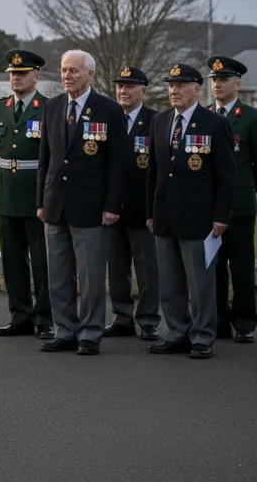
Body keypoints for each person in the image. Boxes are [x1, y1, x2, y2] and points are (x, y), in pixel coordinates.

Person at [36, 49, 128, 356]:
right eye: (64, 70)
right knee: (59, 276)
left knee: (90, 277)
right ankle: (65, 330)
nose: (67, 76)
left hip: (91, 208)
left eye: (73, 71)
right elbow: (45, 160)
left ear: (90, 74)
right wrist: (41, 201)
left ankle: (90, 333)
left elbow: (118, 164)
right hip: (55, 206)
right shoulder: (52, 106)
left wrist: (112, 206)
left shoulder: (109, 110)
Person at [146, 63, 236, 359]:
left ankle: (202, 336)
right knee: (169, 283)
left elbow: (226, 175)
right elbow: (154, 173)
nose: (174, 90)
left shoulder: (214, 123)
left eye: (181, 85)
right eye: (171, 85)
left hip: (199, 218)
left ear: (197, 89)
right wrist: (150, 212)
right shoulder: (159, 121)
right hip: (164, 215)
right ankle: (177, 333)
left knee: (200, 284)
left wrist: (221, 216)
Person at [0, 49, 53, 340]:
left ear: (36, 76)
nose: (16, 78)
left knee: (42, 261)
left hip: (37, 193)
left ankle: (44, 317)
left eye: (22, 73)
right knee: (12, 260)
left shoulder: (49, 108)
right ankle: (20, 315)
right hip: (8, 193)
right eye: (13, 73)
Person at [104, 66, 161, 341]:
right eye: (120, 86)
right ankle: (122, 318)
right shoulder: (109, 119)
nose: (123, 90)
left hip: (143, 209)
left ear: (144, 91)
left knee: (148, 269)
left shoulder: (156, 121)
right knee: (117, 269)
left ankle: (148, 320)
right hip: (112, 208)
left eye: (130, 86)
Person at [207, 55, 257, 343]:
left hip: (239, 206)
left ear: (237, 84)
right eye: (214, 80)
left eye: (223, 79)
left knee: (241, 268)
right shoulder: (204, 115)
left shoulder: (250, 117)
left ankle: (245, 322)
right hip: (209, 206)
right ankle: (219, 321)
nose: (217, 84)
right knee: (213, 268)